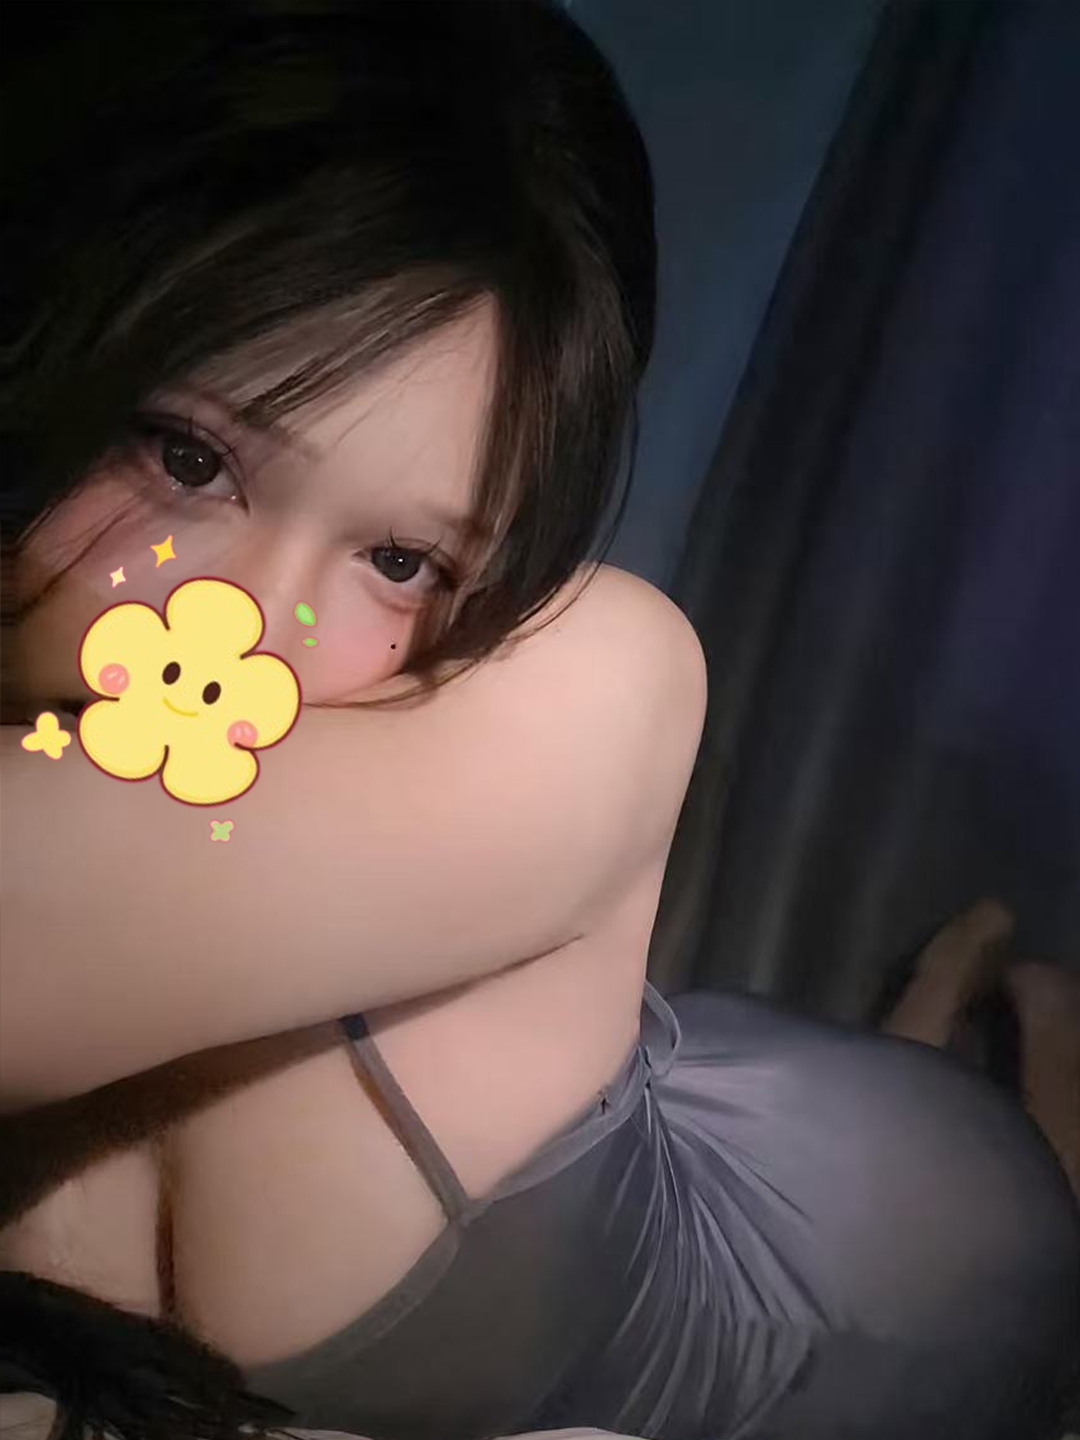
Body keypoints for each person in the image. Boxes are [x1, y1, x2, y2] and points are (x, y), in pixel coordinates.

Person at [1, 4, 1077, 1440]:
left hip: (880, 1265)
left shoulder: (588, 674)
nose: (250, 628)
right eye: (190, 457)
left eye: (402, 559)